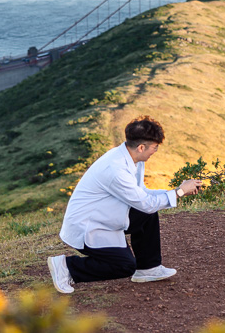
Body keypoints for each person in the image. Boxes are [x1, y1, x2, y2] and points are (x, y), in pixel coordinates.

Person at [46, 115, 203, 294]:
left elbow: (142, 196)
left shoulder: (132, 158)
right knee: (124, 266)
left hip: (105, 214)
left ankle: (148, 268)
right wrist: (179, 192)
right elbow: (146, 203)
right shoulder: (116, 168)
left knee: (148, 213)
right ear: (141, 147)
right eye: (155, 147)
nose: (155, 151)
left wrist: (177, 190)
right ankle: (67, 267)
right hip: (87, 227)